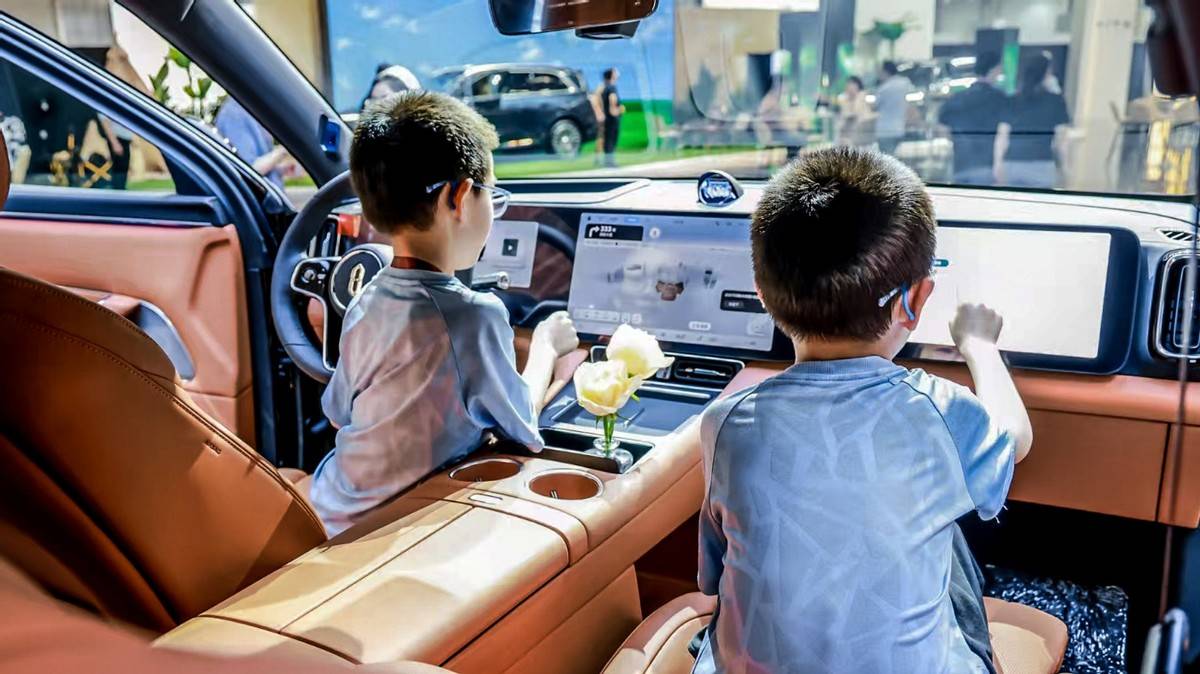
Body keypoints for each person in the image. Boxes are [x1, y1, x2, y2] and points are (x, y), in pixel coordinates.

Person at [693, 147, 1033, 673]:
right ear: (915, 301)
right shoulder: (943, 414)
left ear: (762, 294)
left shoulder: (726, 422)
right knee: (949, 534)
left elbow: (713, 576)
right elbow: (1014, 438)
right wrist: (979, 347)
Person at [310, 91, 580, 535]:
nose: (494, 210)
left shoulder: (365, 300)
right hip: (386, 532)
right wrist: (547, 347)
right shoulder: (473, 316)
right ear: (459, 197)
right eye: (492, 195)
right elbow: (523, 428)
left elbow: (339, 412)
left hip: (328, 508)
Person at [938, 51, 1011, 186]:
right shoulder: (1000, 98)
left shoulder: (957, 98)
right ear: (994, 69)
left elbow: (942, 127)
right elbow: (1003, 132)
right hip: (987, 165)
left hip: (960, 164)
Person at [1001, 53, 1070, 188]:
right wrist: (1065, 168)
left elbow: (1003, 135)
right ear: (1046, 73)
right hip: (1042, 162)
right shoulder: (1055, 101)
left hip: (1013, 162)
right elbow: (1061, 140)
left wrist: (998, 163)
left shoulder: (1013, 100)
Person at [213, 97, 290, 189]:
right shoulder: (234, 115)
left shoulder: (249, 109)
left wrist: (280, 169)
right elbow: (250, 170)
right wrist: (283, 150)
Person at [874, 61, 912, 155]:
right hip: (899, 128)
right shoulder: (905, 83)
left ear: (885, 72)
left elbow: (875, 106)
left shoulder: (883, 88)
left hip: (885, 130)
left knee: (887, 158)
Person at [836, 75, 870, 146]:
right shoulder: (845, 99)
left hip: (861, 133)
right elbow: (844, 116)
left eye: (852, 85)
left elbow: (856, 113)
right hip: (847, 135)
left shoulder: (862, 96)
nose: (849, 88)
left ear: (858, 86)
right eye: (848, 85)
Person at [600, 67, 624, 168]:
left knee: (608, 140)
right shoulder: (612, 88)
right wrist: (616, 111)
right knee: (611, 140)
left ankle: (608, 161)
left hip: (607, 118)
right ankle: (610, 162)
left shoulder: (606, 87)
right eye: (615, 72)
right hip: (612, 118)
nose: (617, 73)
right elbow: (612, 100)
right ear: (612, 75)